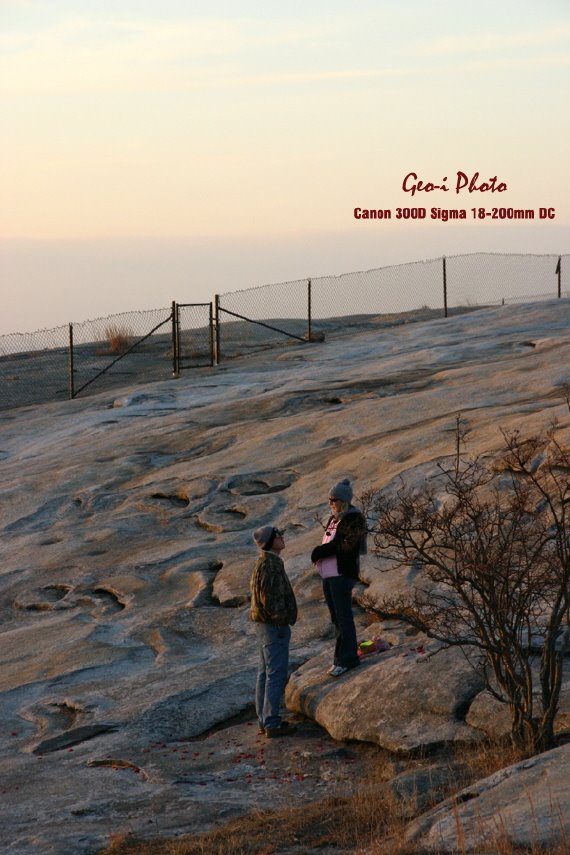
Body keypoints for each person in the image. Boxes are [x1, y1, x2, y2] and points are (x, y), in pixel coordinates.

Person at [311, 479, 367, 677]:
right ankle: (339, 658)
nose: (330, 503)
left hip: (341, 575)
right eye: (329, 500)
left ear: (343, 500)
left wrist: (318, 551)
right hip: (329, 576)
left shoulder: (354, 518)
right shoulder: (334, 518)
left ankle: (349, 659)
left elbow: (345, 545)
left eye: (333, 500)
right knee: (336, 619)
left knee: (344, 619)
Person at [250, 525, 298, 738]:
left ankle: (263, 719)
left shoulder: (263, 562)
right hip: (273, 626)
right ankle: (271, 722)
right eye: (279, 535)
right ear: (271, 541)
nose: (282, 537)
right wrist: (282, 620)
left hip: (263, 624)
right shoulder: (270, 565)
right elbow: (270, 600)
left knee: (264, 672)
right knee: (275, 673)